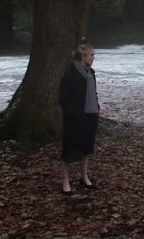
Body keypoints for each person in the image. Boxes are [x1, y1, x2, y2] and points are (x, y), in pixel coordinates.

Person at [58, 38, 100, 195]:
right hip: (74, 117)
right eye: (91, 55)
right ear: (83, 56)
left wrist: (96, 107)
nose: (93, 57)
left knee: (86, 148)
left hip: (91, 115)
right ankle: (66, 181)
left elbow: (93, 92)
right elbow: (63, 97)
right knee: (69, 149)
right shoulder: (71, 72)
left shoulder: (92, 73)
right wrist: (72, 113)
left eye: (93, 55)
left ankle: (84, 177)